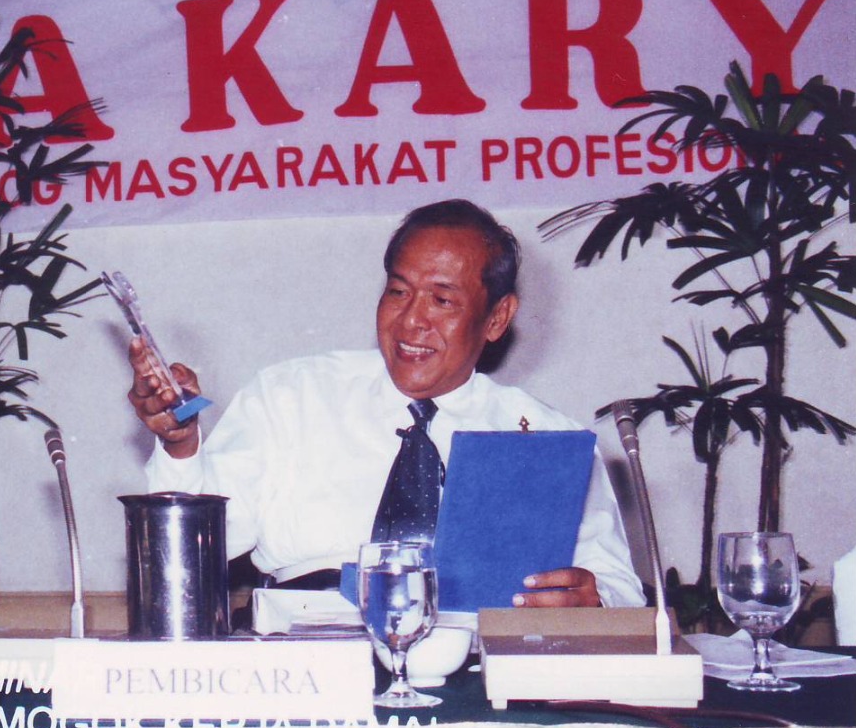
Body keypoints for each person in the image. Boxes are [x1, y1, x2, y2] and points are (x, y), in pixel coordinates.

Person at [128, 200, 643, 608]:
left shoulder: (545, 438)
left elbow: (619, 588)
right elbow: (195, 550)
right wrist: (180, 445)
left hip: (476, 662)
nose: (411, 321)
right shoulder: (292, 396)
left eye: (442, 300)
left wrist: (594, 600)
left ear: (496, 318)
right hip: (308, 654)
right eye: (399, 292)